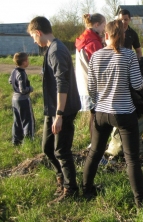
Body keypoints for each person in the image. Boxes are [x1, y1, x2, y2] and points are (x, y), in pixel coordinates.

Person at [83, 20, 143, 206]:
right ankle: (140, 201)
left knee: (95, 152)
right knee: (132, 159)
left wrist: (101, 98)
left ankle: (87, 190)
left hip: (101, 112)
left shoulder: (95, 56)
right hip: (124, 112)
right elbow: (137, 84)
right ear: (123, 36)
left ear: (106, 35)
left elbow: (91, 89)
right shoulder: (128, 55)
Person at [27, 16, 81, 204]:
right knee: (47, 147)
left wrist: (59, 114)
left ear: (38, 32)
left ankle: (71, 189)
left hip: (62, 110)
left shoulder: (56, 51)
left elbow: (62, 84)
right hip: (54, 109)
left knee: (61, 150)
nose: (34, 41)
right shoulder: (51, 49)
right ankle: (61, 177)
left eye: (33, 37)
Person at [75, 13, 106, 141]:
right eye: (104, 26)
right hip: (94, 87)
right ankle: (96, 148)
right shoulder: (93, 43)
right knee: (97, 119)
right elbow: (101, 67)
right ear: (97, 24)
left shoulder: (83, 39)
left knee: (94, 117)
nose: (105, 29)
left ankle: (94, 146)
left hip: (85, 85)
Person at [9, 52, 35, 145]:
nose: (28, 61)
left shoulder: (14, 71)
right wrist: (30, 89)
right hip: (23, 99)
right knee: (27, 120)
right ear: (24, 62)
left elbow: (10, 81)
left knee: (17, 121)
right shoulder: (21, 73)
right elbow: (23, 89)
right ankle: (29, 141)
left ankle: (16, 141)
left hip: (14, 99)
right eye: (27, 60)